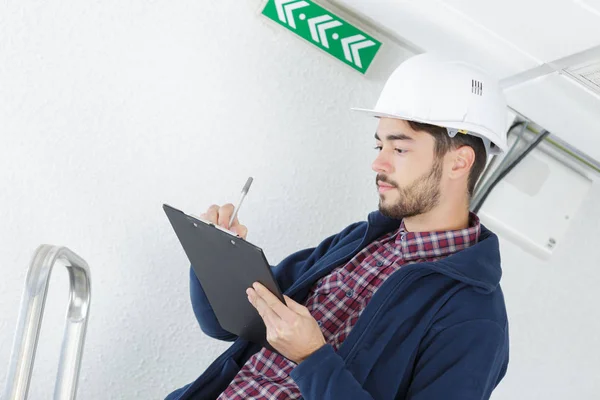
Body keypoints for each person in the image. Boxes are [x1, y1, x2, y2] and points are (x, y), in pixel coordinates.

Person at [166, 53, 510, 400]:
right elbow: (225, 324)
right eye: (379, 144)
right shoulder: (360, 241)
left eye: (400, 148)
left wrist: (312, 359)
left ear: (459, 162)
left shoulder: (475, 319)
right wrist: (219, 256)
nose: (378, 162)